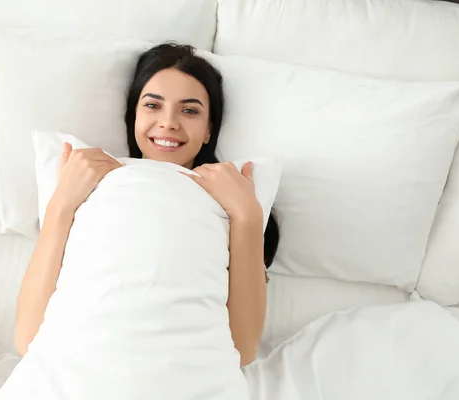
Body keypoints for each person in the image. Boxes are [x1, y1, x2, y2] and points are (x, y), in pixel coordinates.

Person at [15, 43, 280, 367]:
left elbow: (242, 351)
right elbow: (28, 338)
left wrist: (247, 217)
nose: (168, 122)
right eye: (153, 105)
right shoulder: (87, 182)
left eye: (190, 110)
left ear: (210, 129)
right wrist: (62, 204)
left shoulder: (231, 201)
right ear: (134, 116)